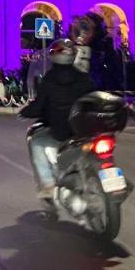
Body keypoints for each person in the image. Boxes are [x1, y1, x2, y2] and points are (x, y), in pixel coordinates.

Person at [19, 39, 95, 199]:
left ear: (54, 56)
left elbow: (39, 106)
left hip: (61, 132)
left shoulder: (49, 80)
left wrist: (25, 112)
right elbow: (92, 98)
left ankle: (48, 185)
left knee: (36, 143)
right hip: (83, 131)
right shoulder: (84, 78)